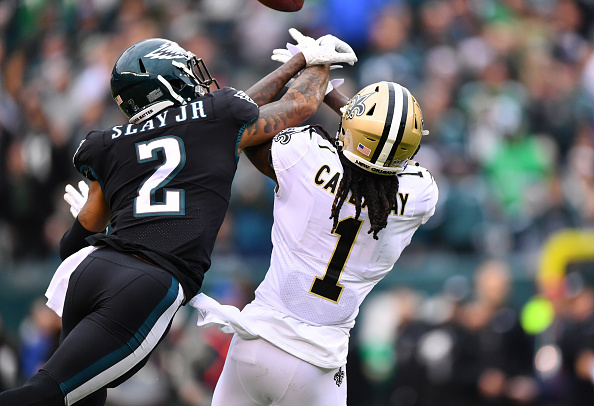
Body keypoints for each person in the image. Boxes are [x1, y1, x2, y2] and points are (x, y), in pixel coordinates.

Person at [0, 31, 357, 406]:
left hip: (90, 270)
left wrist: (295, 62)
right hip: (148, 282)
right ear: (167, 84)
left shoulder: (108, 142)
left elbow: (70, 246)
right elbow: (299, 105)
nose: (196, 79)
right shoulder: (215, 118)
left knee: (80, 399)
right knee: (45, 395)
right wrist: (315, 61)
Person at [190, 58, 439, 404]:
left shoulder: (305, 153)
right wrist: (352, 112)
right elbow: (384, 155)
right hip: (317, 367)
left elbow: (246, 125)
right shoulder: (419, 196)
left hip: (255, 341)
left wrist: (317, 78)